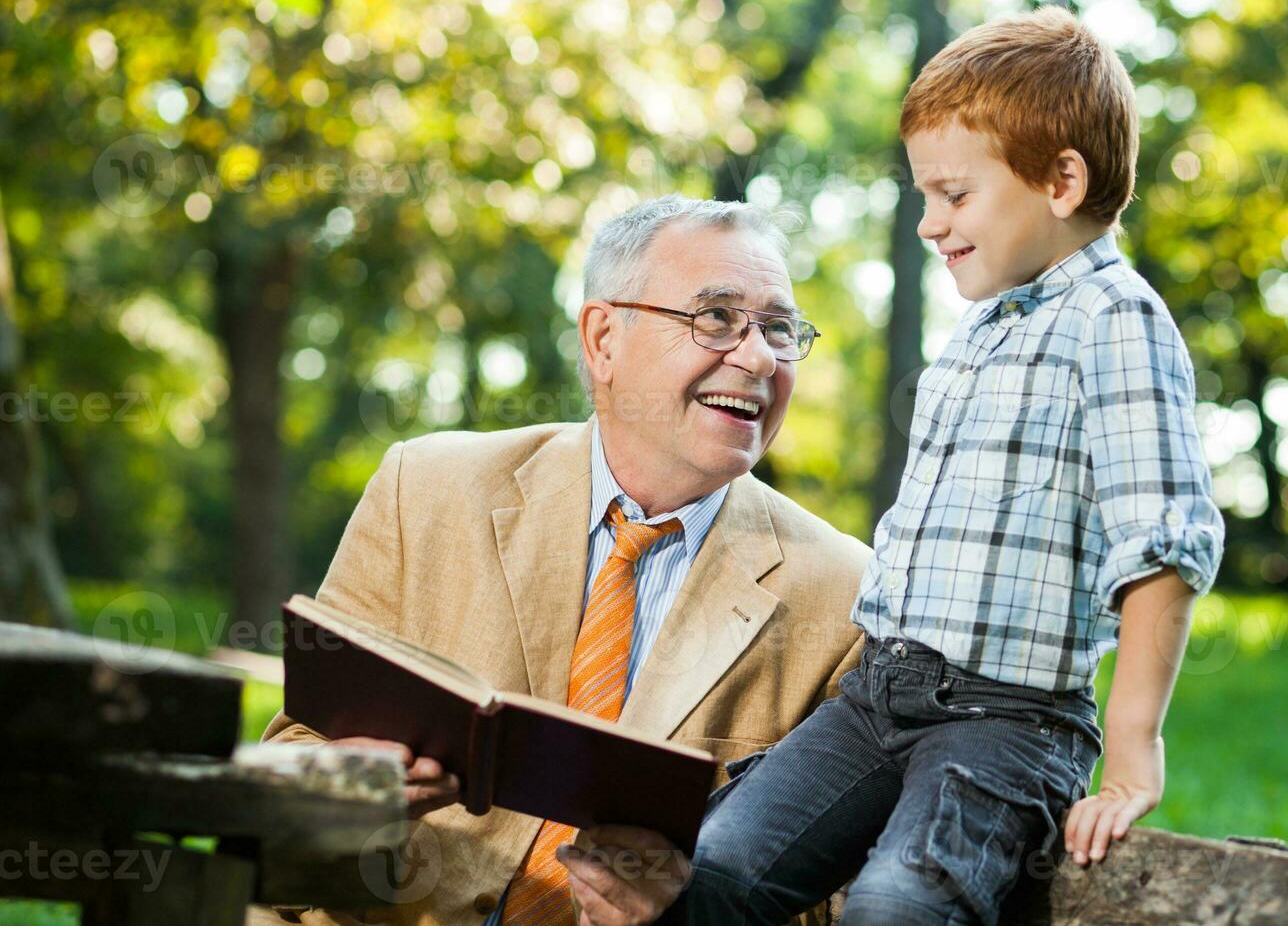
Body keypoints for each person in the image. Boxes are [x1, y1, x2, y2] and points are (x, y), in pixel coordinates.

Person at [682, 6, 1226, 925]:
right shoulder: (979, 333)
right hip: (876, 696)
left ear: (1061, 181)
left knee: (898, 903)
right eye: (923, 198)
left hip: (1009, 723)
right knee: (718, 864)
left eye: (955, 195)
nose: (932, 224)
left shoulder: (1115, 322)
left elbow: (1163, 546)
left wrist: (1133, 753)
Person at [246, 194, 869, 926]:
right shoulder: (427, 487)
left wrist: (689, 909)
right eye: (718, 318)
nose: (761, 355)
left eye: (780, 328)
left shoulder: (846, 594)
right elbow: (293, 753)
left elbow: (836, 896)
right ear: (603, 338)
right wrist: (350, 787)